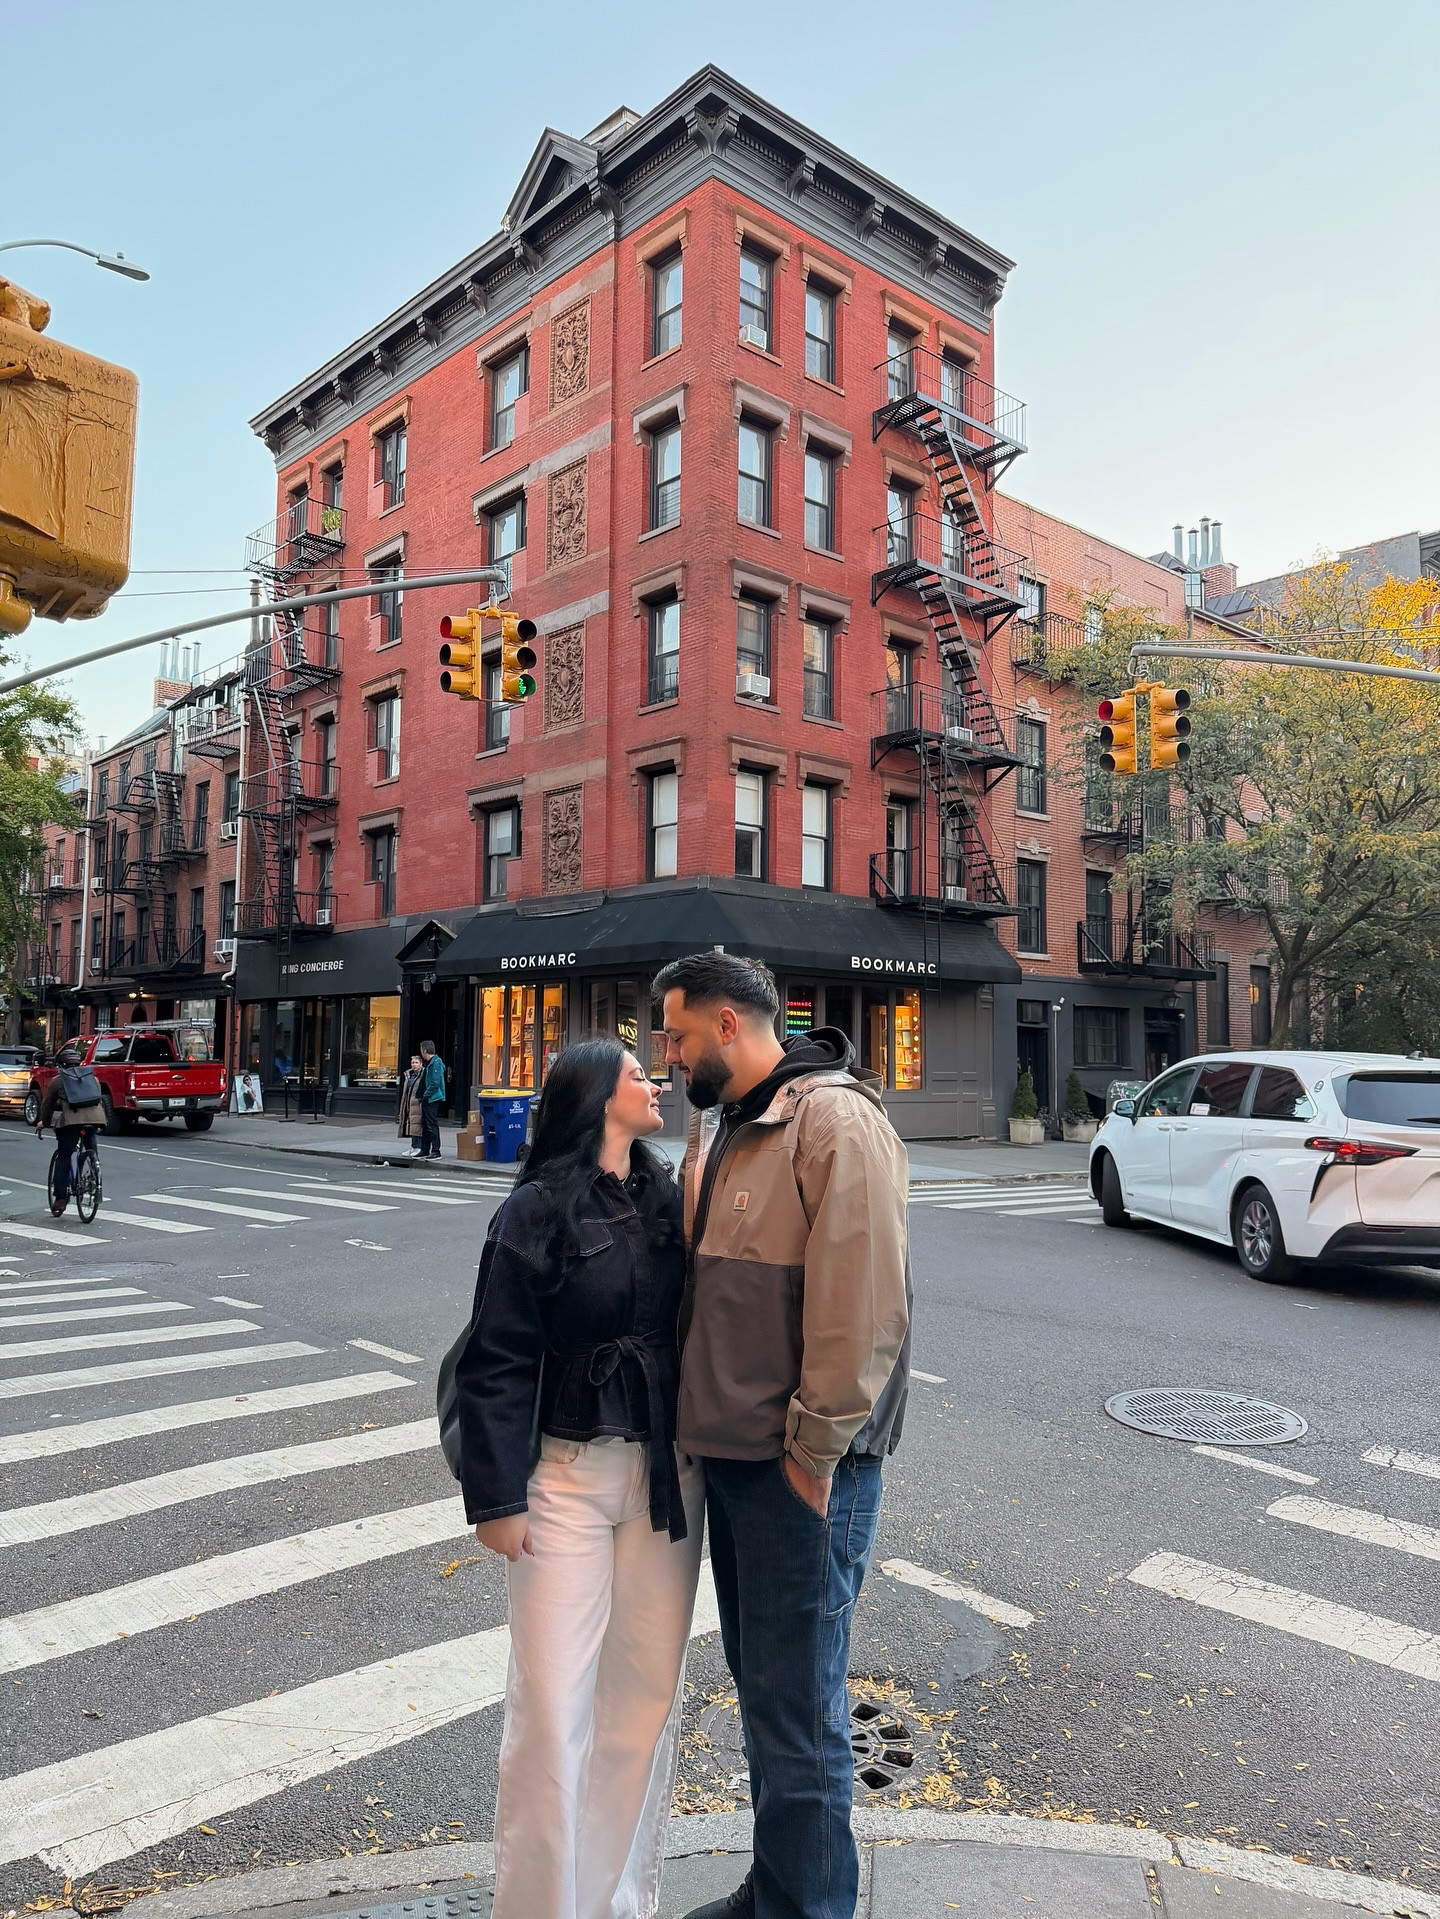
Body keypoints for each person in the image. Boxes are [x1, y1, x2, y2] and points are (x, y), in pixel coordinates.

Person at [653, 952, 911, 1919]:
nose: (668, 1054)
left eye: (678, 1035)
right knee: (768, 1694)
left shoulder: (833, 1121)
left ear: (729, 1027)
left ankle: (807, 1907)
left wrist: (811, 1455)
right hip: (740, 1457)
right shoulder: (732, 1124)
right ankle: (780, 1887)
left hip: (800, 1469)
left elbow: (865, 1307)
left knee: (801, 1710)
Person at [454, 1038, 704, 1919]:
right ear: (597, 1096)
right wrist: (496, 1499)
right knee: (553, 1711)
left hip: (665, 1479)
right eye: (638, 1071)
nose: (655, 1080)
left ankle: (617, 1903)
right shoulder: (532, 1212)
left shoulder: (670, 1196)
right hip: (562, 1477)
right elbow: (494, 1358)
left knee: (642, 1706)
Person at [37, 1066, 108, 1210]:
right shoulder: (93, 1079)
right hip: (95, 1120)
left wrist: (44, 1122)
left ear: (61, 1065)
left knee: (64, 1156)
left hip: (72, 1122)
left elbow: (48, 1104)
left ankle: (61, 1198)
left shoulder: (58, 1081)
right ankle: (94, 1171)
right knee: (91, 1149)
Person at [418, 1038, 446, 1161]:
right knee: (425, 1124)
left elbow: (435, 1083)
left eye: (421, 1051)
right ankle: (424, 1149)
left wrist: (425, 1095)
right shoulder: (430, 1063)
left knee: (431, 1124)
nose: (421, 1053)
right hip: (428, 1098)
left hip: (432, 1098)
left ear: (424, 1051)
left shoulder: (436, 1063)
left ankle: (436, 1151)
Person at [397, 1053, 425, 1157]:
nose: (414, 1065)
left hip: (417, 1103)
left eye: (416, 1062)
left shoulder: (423, 1074)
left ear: (421, 1064)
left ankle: (419, 1147)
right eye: (412, 1062)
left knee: (417, 1125)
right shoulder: (409, 1075)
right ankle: (414, 1146)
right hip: (409, 1103)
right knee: (412, 1125)